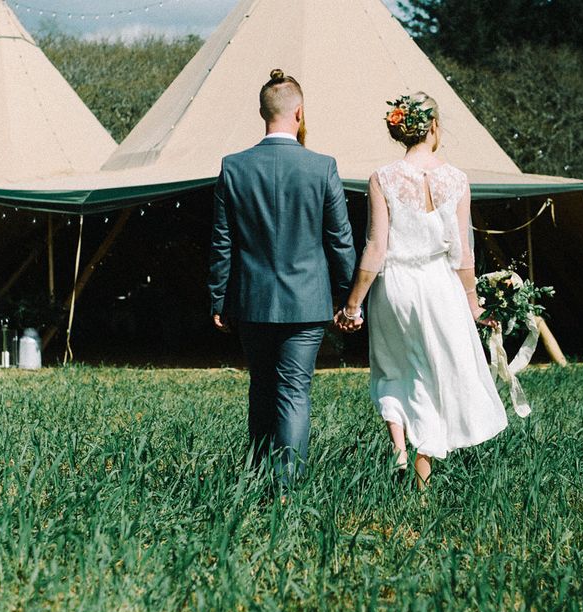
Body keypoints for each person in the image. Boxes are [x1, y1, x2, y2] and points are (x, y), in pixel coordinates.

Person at [335, 92, 507, 489]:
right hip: (439, 285)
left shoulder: (383, 177)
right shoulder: (457, 180)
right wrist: (475, 305)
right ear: (433, 127)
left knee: (394, 369)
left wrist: (353, 306)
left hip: (395, 286)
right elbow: (464, 252)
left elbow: (375, 248)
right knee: (432, 376)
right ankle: (422, 473)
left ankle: (398, 447)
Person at [209, 69, 355, 488]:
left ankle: (256, 475)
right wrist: (348, 298)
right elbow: (340, 241)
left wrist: (218, 297)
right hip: (307, 302)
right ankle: (286, 489)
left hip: (252, 299)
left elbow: (223, 242)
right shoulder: (322, 167)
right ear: (300, 112)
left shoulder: (233, 167)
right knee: (294, 392)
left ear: (261, 112)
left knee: (261, 388)